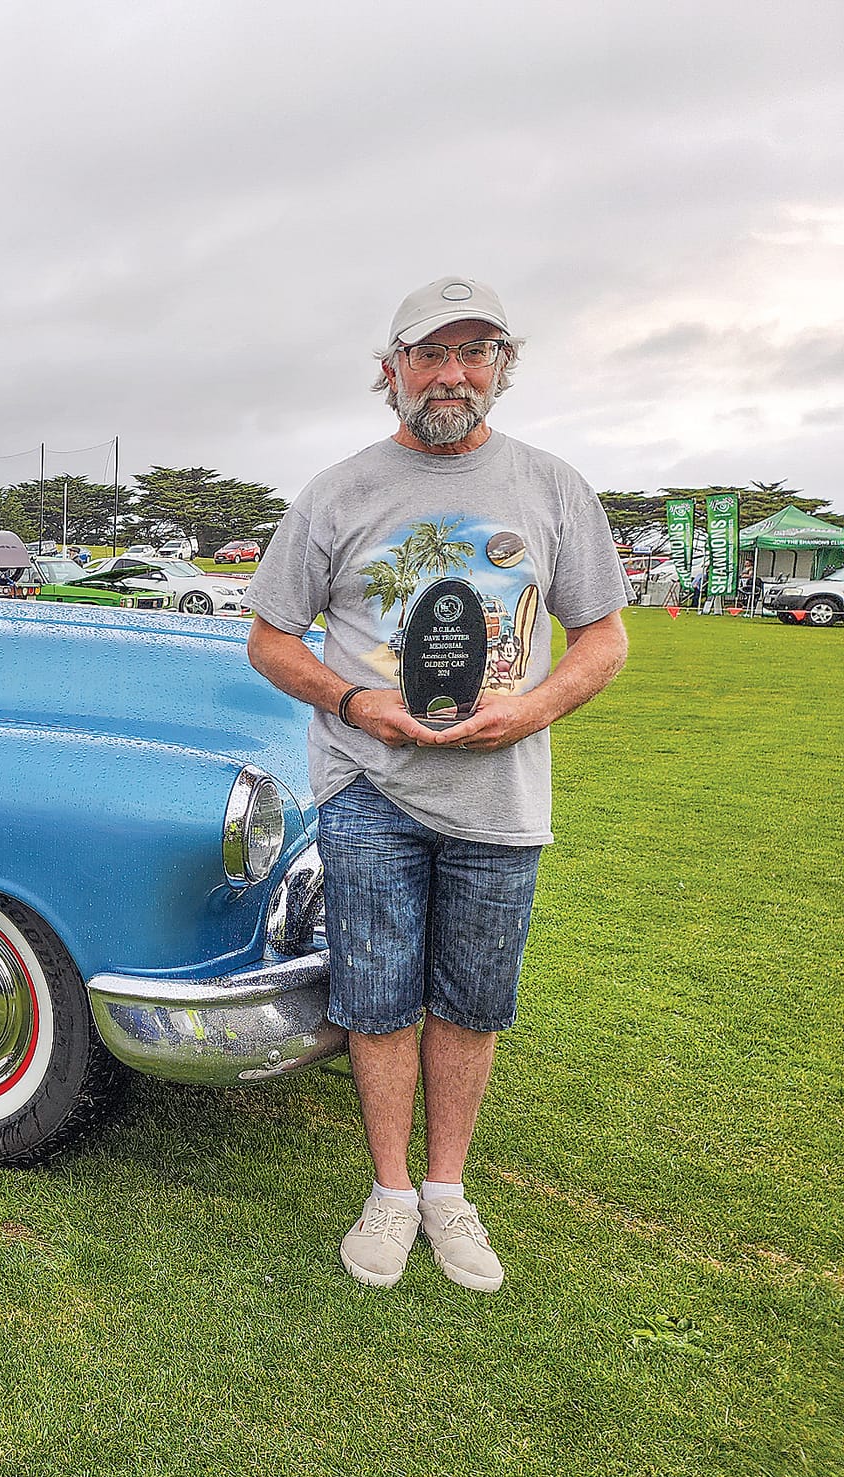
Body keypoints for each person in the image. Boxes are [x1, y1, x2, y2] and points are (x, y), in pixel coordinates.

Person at [242, 276, 629, 1292]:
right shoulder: (336, 492)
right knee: (375, 995)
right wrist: (351, 702)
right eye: (428, 354)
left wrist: (535, 706)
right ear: (390, 374)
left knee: (471, 999)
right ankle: (387, 1193)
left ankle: (447, 1191)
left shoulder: (550, 487)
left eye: (474, 352)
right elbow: (270, 640)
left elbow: (601, 636)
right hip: (369, 783)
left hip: (500, 795)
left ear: (501, 369)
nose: (449, 374)